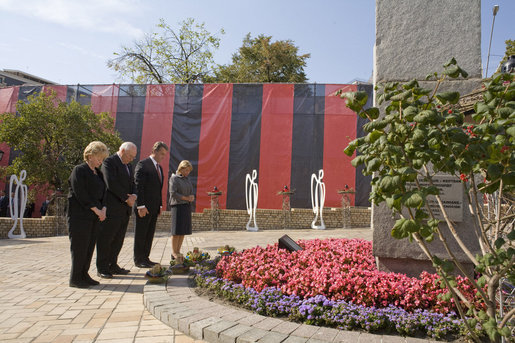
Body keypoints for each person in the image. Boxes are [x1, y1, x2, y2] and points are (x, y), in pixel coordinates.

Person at [67, 141, 108, 288]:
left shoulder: (99, 173)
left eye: (102, 158)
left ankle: (84, 274)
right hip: (80, 217)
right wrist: (96, 209)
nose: (101, 161)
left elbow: (104, 193)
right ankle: (75, 278)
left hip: (94, 217)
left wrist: (103, 208)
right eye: (99, 157)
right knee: (80, 247)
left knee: (90, 246)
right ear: (90, 156)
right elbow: (80, 193)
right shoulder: (79, 170)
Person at [96, 142, 137, 278]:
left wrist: (134, 195)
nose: (132, 159)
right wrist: (127, 199)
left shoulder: (129, 165)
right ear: (123, 151)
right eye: (130, 156)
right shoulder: (109, 162)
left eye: (133, 157)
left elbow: (133, 183)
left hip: (124, 210)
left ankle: (113, 264)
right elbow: (111, 183)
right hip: (112, 208)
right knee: (106, 239)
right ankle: (102, 267)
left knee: (118, 239)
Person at [133, 141, 168, 268]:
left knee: (149, 233)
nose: (163, 157)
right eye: (161, 154)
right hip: (144, 207)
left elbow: (158, 189)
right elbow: (138, 186)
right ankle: (138, 259)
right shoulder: (143, 164)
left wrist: (159, 205)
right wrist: (140, 205)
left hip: (154, 207)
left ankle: (145, 257)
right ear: (154, 151)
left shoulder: (159, 168)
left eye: (165, 155)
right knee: (141, 233)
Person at [169, 160, 194, 260]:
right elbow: (173, 193)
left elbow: (191, 190)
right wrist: (186, 198)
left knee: (182, 230)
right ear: (181, 168)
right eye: (186, 170)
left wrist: (191, 197)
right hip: (177, 207)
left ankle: (178, 251)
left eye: (189, 171)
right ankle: (174, 252)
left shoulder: (187, 179)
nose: (188, 172)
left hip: (186, 206)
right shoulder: (174, 178)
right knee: (176, 231)